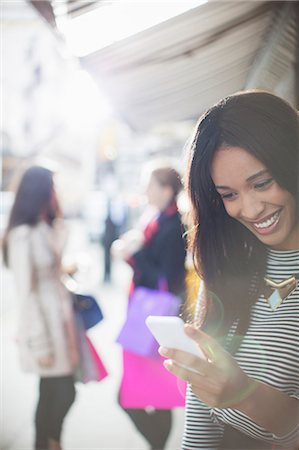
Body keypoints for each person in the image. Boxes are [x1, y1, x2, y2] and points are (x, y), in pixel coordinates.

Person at [158, 91, 299, 449]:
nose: (250, 209)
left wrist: (244, 394)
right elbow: (202, 401)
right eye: (228, 194)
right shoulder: (229, 260)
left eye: (262, 182)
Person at [3, 165, 78, 450]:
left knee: (50, 393)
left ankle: (46, 444)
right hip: (45, 330)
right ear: (40, 192)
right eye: (52, 188)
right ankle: (50, 444)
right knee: (62, 393)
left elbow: (53, 266)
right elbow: (26, 294)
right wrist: (41, 343)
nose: (55, 194)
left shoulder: (42, 227)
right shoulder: (22, 235)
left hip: (60, 323)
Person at [112, 164, 187, 450]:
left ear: (167, 190)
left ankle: (157, 445)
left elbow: (164, 277)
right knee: (148, 394)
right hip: (147, 315)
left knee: (153, 395)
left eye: (151, 186)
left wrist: (136, 253)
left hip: (157, 317)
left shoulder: (172, 225)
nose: (146, 192)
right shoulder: (155, 219)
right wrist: (133, 254)